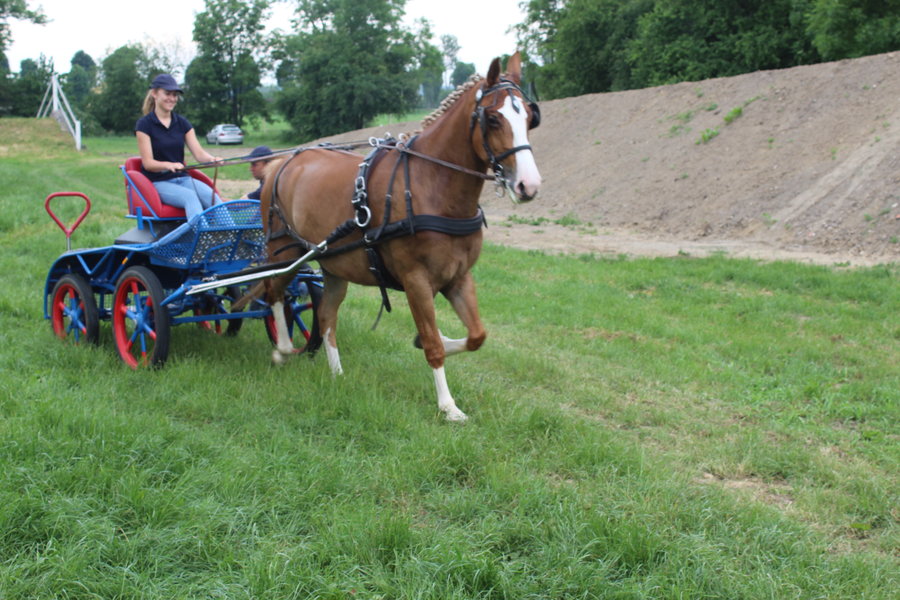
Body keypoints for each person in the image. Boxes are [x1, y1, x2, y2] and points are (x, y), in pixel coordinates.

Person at [135, 73, 223, 220]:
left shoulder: (182, 123)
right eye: (167, 93)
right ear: (154, 93)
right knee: (190, 197)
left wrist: (212, 159)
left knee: (212, 197)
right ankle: (200, 233)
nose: (172, 98)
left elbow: (199, 154)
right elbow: (148, 164)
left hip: (183, 179)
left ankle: (231, 232)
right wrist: (168, 165)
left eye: (175, 95)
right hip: (158, 182)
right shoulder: (144, 125)